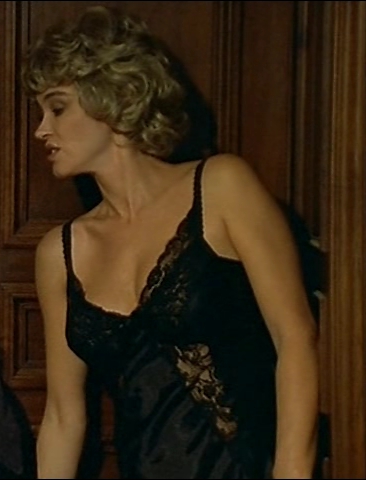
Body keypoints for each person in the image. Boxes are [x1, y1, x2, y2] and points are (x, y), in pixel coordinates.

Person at [23, 6, 319, 479]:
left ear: (114, 97)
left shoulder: (222, 187)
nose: (41, 129)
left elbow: (296, 338)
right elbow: (63, 417)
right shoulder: (59, 253)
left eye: (57, 108)